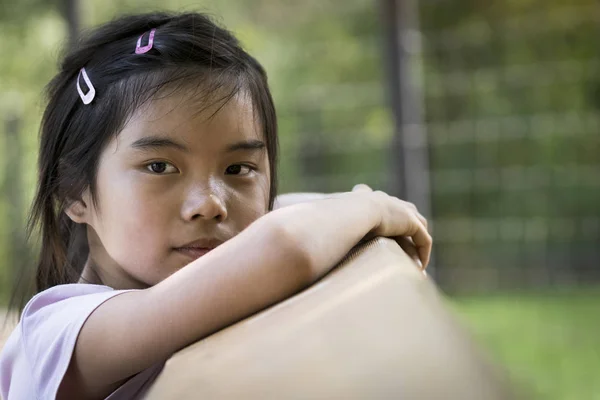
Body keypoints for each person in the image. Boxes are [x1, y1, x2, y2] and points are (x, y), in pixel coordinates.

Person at [0, 11, 431, 400]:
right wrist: (370, 205)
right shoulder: (61, 331)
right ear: (75, 193)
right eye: (159, 166)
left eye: (238, 169)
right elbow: (286, 244)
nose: (209, 205)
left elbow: (278, 213)